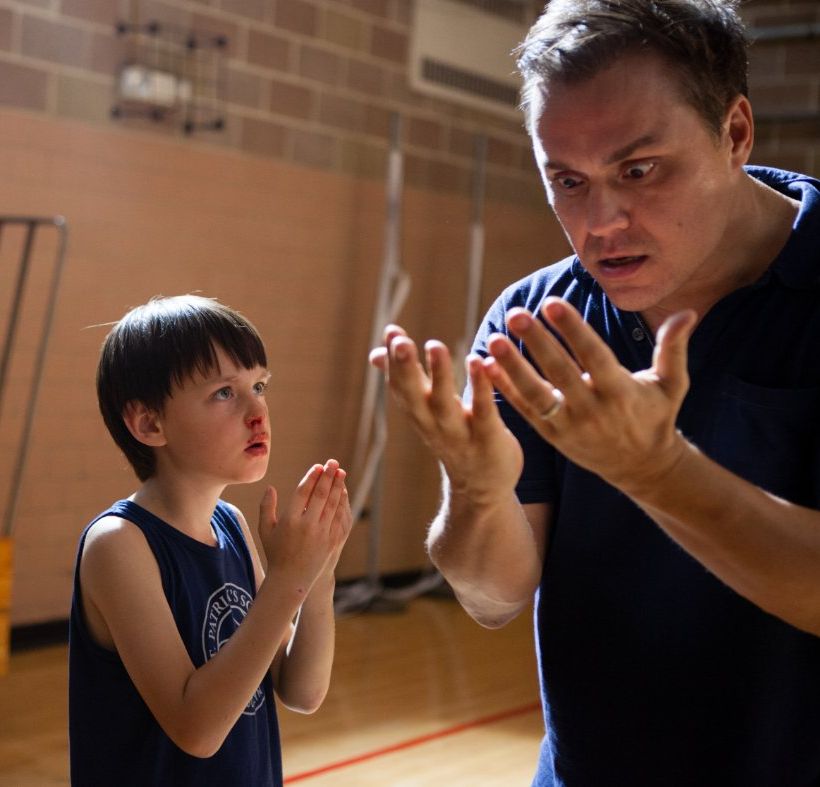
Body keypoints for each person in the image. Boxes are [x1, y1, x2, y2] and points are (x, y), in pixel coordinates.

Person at [370, 0, 820, 784]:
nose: (600, 221)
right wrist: (477, 491)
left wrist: (658, 472)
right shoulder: (533, 318)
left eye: (638, 170)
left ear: (736, 133)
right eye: (567, 180)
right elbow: (492, 595)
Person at [69, 294, 352, 786]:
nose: (257, 410)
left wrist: (317, 574)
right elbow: (196, 730)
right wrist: (287, 579)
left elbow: (302, 691)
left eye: (259, 385)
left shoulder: (232, 525)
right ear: (149, 424)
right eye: (224, 392)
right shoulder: (118, 545)